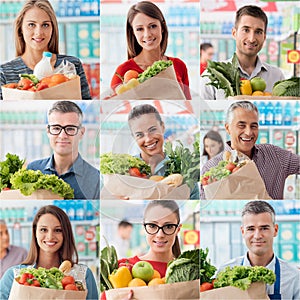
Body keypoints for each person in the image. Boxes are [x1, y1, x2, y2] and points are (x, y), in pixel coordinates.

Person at [200, 101, 300, 199]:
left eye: (253, 126)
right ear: (228, 128)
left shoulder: (274, 155)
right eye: (241, 125)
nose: (248, 132)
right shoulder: (210, 168)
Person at [0, 205, 98, 299]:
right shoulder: (13, 276)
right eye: (43, 229)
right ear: (35, 233)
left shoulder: (84, 275)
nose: (50, 236)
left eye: (58, 230)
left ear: (66, 234)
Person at [0, 0, 91, 100]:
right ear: (21, 28)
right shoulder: (5, 72)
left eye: (45, 25)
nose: (39, 32)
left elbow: (87, 109)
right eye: (31, 24)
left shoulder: (72, 65)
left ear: (53, 28)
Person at [215, 201, 300, 299]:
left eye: (264, 228)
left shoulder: (294, 277)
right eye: (251, 229)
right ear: (243, 232)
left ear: (275, 230)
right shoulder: (224, 272)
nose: (257, 236)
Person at [110, 1, 191, 100]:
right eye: (140, 29)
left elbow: (188, 107)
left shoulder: (178, 65)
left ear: (162, 27)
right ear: (133, 33)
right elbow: (112, 109)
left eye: (152, 26)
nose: (147, 34)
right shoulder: (123, 71)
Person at [200, 5, 285, 99]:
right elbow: (203, 112)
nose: (252, 39)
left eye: (258, 32)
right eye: (246, 30)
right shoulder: (211, 76)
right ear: (234, 33)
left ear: (264, 37)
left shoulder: (277, 76)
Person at [27, 101, 100, 199]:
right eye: (56, 128)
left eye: (70, 129)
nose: (62, 136)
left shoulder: (95, 178)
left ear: (81, 133)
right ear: (48, 131)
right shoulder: (33, 170)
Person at [128, 104, 199, 199]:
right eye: (139, 135)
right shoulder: (126, 171)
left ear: (162, 127)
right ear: (133, 137)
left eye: (152, 130)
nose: (148, 139)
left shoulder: (184, 169)